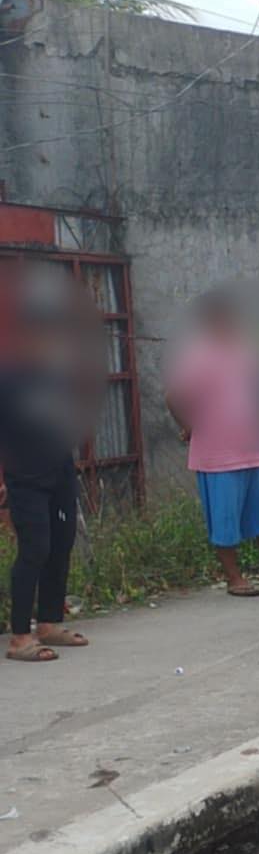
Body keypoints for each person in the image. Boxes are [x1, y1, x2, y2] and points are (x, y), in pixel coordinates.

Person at [165, 291, 259, 597]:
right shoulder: (197, 355)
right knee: (224, 518)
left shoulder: (248, 348)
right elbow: (174, 397)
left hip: (255, 447)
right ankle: (234, 577)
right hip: (218, 453)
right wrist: (189, 427)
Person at [1, 263, 101, 664]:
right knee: (35, 548)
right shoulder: (8, 377)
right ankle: (20, 636)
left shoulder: (54, 372)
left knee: (61, 543)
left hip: (58, 466)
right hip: (23, 473)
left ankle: (47, 622)